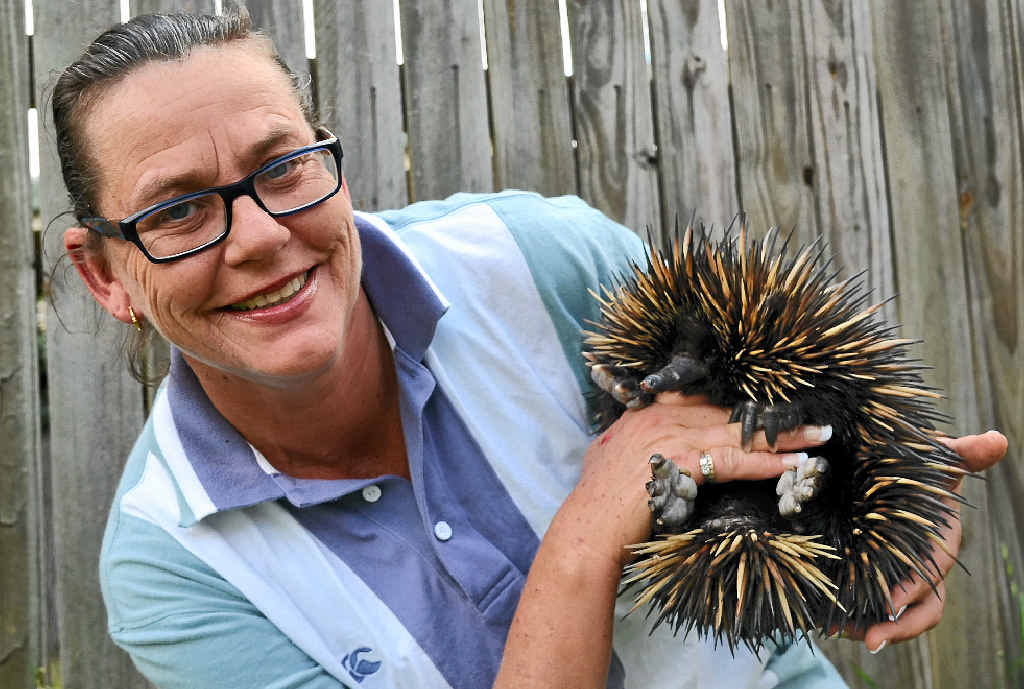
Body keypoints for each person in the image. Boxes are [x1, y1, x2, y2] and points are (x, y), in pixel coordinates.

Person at [54, 11, 1006, 689]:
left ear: (329, 158)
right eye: (177, 210)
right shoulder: (177, 569)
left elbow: (813, 418)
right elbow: (619, 498)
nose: (260, 234)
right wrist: (591, 527)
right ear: (103, 274)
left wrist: (880, 510)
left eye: (282, 166)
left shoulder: (542, 261)